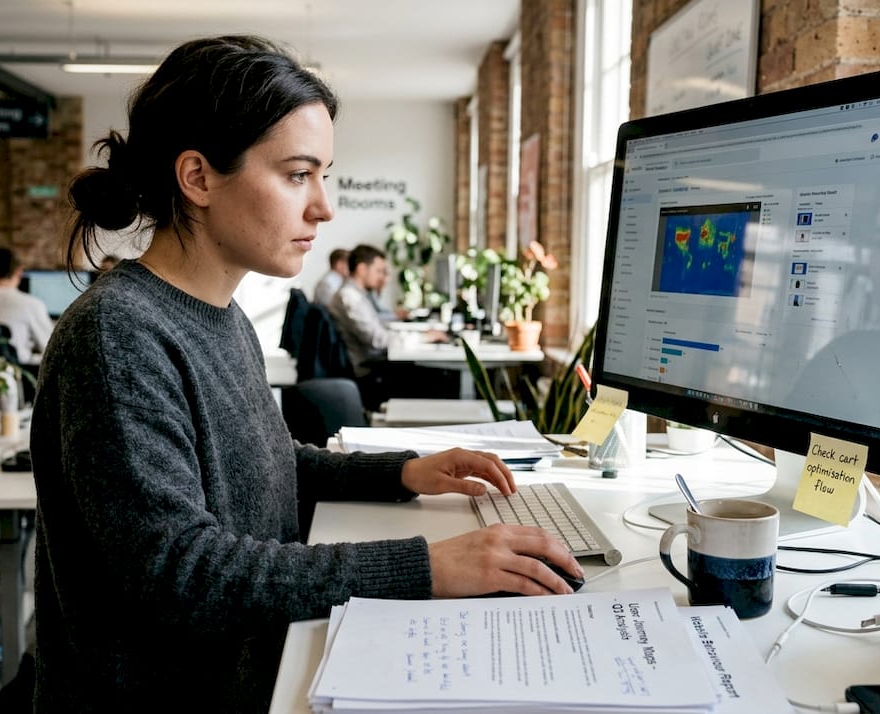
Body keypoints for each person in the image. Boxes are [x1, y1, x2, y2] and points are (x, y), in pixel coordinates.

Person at [35, 35, 580, 710]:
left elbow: (265, 464)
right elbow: (184, 574)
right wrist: (427, 566)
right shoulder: (117, 335)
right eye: (298, 175)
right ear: (198, 177)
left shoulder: (219, 315)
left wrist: (403, 472)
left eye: (323, 175)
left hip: (261, 668)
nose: (324, 207)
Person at [329, 244, 447, 376]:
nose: (381, 277)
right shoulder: (350, 297)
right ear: (362, 269)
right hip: (368, 368)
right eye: (378, 271)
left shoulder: (358, 295)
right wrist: (422, 337)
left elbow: (375, 324)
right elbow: (378, 340)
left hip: (375, 361)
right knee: (440, 374)